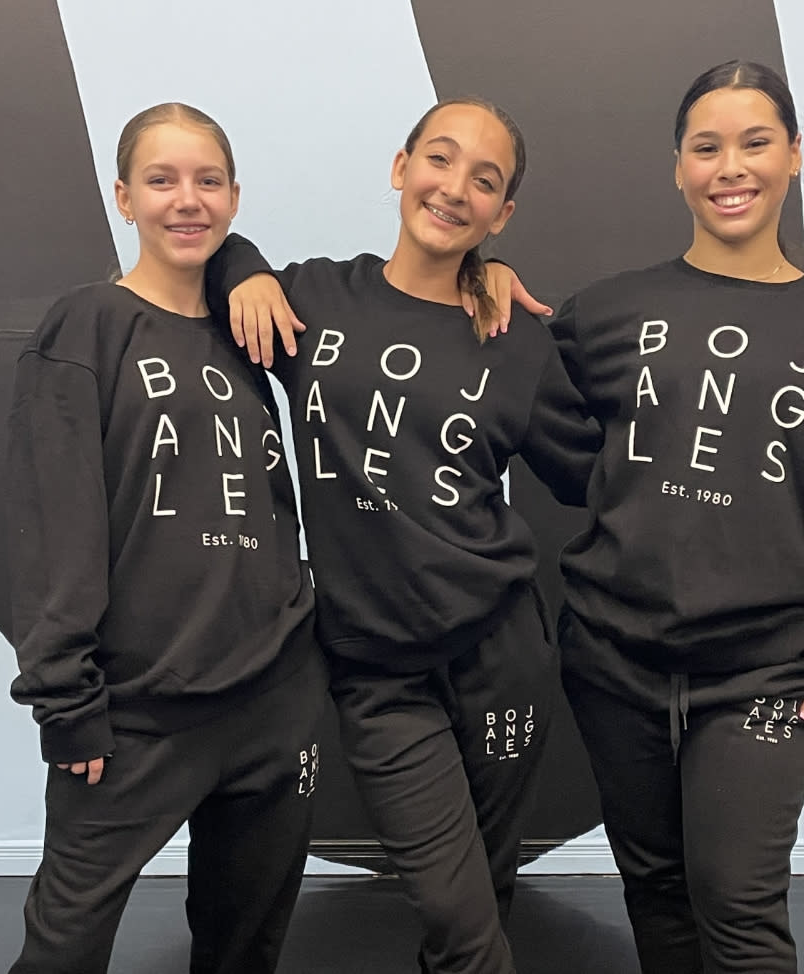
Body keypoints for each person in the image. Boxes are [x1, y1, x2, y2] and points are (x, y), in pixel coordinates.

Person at [205, 96, 601, 973]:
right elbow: (206, 256)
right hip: (378, 669)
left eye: (484, 181)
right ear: (401, 166)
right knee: (459, 915)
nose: (454, 188)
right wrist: (245, 269)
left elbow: (592, 475)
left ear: (502, 214)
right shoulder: (314, 298)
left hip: (501, 654)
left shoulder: (511, 338)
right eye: (439, 158)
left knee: (483, 895)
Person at [553, 61, 804, 973]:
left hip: (767, 668)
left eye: (755, 143)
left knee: (739, 909)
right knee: (656, 892)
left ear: (794, 155)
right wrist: (491, 279)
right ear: (678, 167)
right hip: (613, 660)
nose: (730, 167)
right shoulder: (609, 311)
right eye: (706, 147)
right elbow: (517, 403)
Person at [6, 102, 326, 974]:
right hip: (136, 709)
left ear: (234, 197)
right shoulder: (87, 326)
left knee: (245, 950)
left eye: (208, 181)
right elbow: (54, 526)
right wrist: (66, 702)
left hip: (274, 701)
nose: (187, 200)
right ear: (123, 197)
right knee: (63, 948)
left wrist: (245, 265)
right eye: (161, 180)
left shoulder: (251, 332)